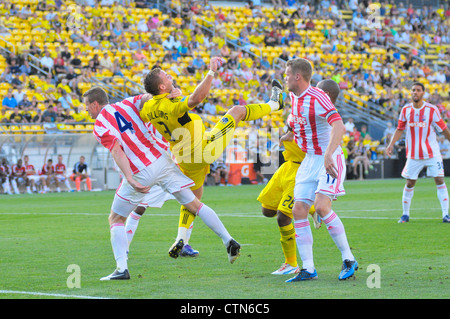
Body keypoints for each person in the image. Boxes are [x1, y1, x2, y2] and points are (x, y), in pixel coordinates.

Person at [83, 87, 241, 281]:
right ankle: (228, 239)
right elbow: (148, 98)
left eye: (86, 107)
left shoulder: (100, 123)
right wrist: (168, 94)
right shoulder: (128, 103)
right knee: (194, 205)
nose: (86, 111)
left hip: (141, 171)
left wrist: (130, 178)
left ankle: (121, 268)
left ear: (95, 104)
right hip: (163, 161)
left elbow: (116, 150)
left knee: (115, 219)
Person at [139, 56, 284, 257]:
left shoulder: (149, 108)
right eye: (166, 75)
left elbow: (146, 106)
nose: (170, 75)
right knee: (237, 111)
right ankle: (276, 103)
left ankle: (182, 239)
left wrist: (158, 98)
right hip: (204, 149)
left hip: (184, 158)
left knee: (192, 199)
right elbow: (196, 99)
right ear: (162, 86)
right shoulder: (173, 104)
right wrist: (211, 72)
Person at [283, 58, 357, 282]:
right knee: (298, 210)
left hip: (329, 157)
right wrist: (289, 133)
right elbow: (298, 121)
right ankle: (308, 268)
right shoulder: (293, 97)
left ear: (297, 76)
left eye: (287, 74)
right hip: (309, 160)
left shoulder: (318, 97)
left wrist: (328, 154)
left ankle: (348, 259)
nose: (284, 78)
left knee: (322, 207)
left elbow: (338, 125)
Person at [258, 79, 340, 275]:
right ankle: (312, 208)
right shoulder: (303, 106)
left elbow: (309, 136)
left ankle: (292, 263)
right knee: (267, 211)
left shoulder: (324, 120)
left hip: (302, 170)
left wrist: (291, 133)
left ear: (325, 96)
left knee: (282, 217)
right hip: (286, 167)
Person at [386, 82, 450, 223]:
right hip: (413, 155)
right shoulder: (406, 110)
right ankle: (405, 214)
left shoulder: (431, 110)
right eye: (413, 90)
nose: (415, 92)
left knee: (439, 180)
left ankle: (446, 214)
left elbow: (443, 129)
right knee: (410, 183)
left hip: (432, 153)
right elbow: (399, 129)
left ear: (423, 93)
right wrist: (391, 144)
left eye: (418, 90)